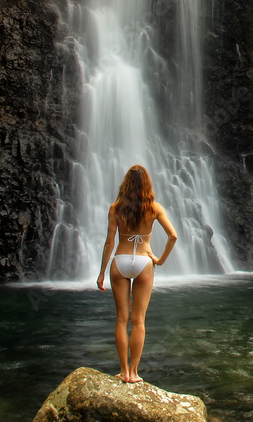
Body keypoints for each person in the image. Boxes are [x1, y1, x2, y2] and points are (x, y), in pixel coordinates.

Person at [96, 164, 177, 383]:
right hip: (144, 261)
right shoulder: (154, 208)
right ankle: (134, 372)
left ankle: (123, 371)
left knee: (122, 319)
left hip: (120, 261)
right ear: (147, 184)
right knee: (139, 320)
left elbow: (109, 242)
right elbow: (173, 236)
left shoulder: (115, 208)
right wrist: (159, 260)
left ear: (125, 185)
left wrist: (101, 272)